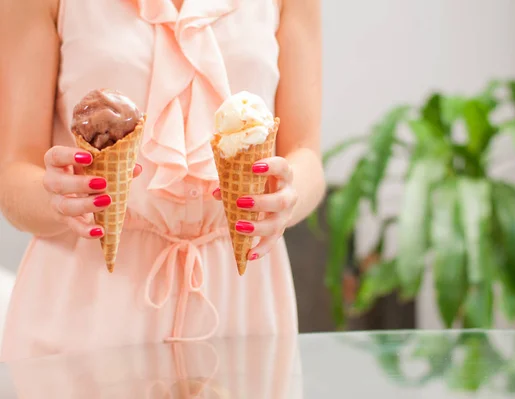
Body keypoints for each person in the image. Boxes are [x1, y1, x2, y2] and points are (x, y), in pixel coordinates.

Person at [0, 0, 324, 361]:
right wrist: (59, 200)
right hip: (89, 297)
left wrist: (286, 196)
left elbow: (306, 155)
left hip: (241, 293)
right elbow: (13, 175)